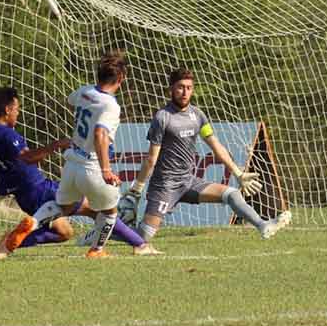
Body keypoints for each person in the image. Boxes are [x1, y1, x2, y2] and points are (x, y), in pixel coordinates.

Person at [0, 86, 158, 258]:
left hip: (23, 196)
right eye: (16, 109)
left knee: (64, 232)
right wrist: (55, 145)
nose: (18, 113)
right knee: (97, 210)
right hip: (38, 188)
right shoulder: (8, 135)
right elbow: (26, 157)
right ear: (6, 109)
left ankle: (8, 243)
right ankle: (139, 244)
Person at [118, 68, 291, 242]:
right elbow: (151, 159)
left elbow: (216, 146)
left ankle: (263, 226)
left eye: (189, 87)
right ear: (171, 89)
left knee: (231, 194)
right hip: (165, 185)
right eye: (180, 87)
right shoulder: (162, 117)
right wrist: (136, 190)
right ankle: (106, 233)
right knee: (142, 237)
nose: (185, 92)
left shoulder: (197, 115)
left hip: (188, 181)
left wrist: (238, 173)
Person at [0, 49, 134, 258]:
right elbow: (100, 134)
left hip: (72, 163)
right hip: (92, 166)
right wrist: (106, 170)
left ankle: (33, 222)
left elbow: (72, 100)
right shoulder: (111, 105)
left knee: (63, 205)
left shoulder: (84, 92)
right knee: (110, 211)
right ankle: (96, 250)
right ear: (121, 78)